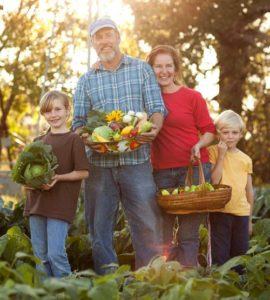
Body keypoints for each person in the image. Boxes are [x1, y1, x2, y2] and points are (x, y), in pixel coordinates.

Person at [72, 17, 167, 275]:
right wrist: (87, 137)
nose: (104, 41)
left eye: (108, 35)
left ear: (118, 37)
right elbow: (78, 122)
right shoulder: (86, 80)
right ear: (93, 43)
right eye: (98, 37)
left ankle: (150, 279)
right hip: (99, 165)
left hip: (137, 161)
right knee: (99, 227)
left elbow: (157, 108)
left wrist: (154, 128)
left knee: (147, 223)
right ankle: (109, 282)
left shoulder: (141, 69)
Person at [146, 45, 216, 267]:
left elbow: (209, 131)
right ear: (151, 69)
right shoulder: (146, 100)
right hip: (161, 174)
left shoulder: (192, 96)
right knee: (162, 236)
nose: (163, 71)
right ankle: (164, 283)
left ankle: (189, 283)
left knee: (188, 235)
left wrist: (198, 144)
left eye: (168, 65)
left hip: (193, 171)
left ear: (175, 68)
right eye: (158, 66)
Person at [24, 90, 89, 278]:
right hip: (36, 203)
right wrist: (31, 183)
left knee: (55, 253)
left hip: (60, 205)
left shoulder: (73, 140)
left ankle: (66, 291)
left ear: (68, 111)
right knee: (41, 256)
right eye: (48, 111)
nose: (53, 114)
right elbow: (27, 175)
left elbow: (83, 172)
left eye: (58, 109)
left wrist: (58, 178)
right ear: (43, 114)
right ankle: (45, 294)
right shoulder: (38, 141)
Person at [208, 110, 253, 266]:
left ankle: (238, 288)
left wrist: (249, 219)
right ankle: (220, 288)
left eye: (234, 132)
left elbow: (249, 190)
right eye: (225, 132)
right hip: (220, 211)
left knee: (239, 256)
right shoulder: (213, 152)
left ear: (241, 134)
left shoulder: (246, 159)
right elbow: (214, 181)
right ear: (218, 134)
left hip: (241, 212)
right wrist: (221, 156)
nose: (230, 136)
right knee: (220, 255)